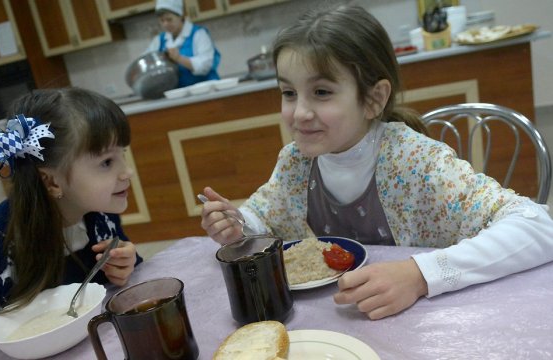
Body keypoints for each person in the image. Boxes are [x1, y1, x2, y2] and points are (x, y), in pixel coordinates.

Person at [200, 4, 553, 321]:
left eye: (321, 92)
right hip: (334, 324)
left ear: (374, 98)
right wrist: (238, 224)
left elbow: (539, 227)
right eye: (289, 93)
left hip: (423, 321)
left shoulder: (416, 162)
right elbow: (268, 216)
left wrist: (418, 275)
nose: (299, 113)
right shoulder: (295, 162)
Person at [0, 88, 142, 359]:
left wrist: (124, 265)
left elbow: (116, 286)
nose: (127, 171)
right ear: (51, 181)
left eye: (123, 153)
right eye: (107, 162)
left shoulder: (99, 215)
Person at [143, 0, 221, 88]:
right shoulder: (159, 40)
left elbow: (205, 66)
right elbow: (146, 61)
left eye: (169, 19)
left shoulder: (198, 34)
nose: (165, 24)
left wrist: (179, 58)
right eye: (162, 20)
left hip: (207, 90)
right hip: (178, 93)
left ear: (181, 16)